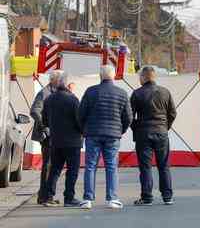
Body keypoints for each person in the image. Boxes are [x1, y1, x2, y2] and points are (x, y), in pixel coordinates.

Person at [79, 65, 132, 209]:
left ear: (100, 76)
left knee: (90, 166)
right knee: (111, 166)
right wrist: (121, 130)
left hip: (93, 134)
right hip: (113, 135)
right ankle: (112, 199)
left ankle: (88, 199)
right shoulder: (121, 93)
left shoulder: (90, 92)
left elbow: (81, 114)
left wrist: (84, 129)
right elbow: (128, 117)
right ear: (113, 76)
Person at [130, 66, 177, 206]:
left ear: (144, 77)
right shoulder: (165, 92)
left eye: (140, 77)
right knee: (164, 166)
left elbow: (129, 115)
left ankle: (147, 197)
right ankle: (167, 197)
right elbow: (173, 113)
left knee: (145, 167)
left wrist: (137, 128)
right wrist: (165, 127)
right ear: (154, 77)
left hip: (143, 134)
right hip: (162, 133)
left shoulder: (137, 94)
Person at [42, 72, 82, 207]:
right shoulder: (73, 99)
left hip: (56, 140)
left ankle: (48, 197)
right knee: (72, 170)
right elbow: (79, 121)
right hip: (72, 141)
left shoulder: (49, 99)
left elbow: (45, 121)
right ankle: (69, 198)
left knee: (55, 169)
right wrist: (83, 132)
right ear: (65, 82)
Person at [30, 70, 62, 205]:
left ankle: (45, 194)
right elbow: (34, 111)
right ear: (55, 80)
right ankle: (44, 196)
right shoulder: (45, 93)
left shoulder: (54, 92)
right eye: (62, 80)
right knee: (48, 165)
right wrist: (45, 125)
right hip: (47, 136)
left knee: (52, 165)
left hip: (55, 135)